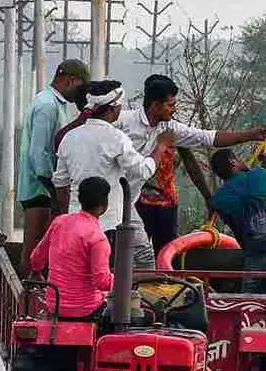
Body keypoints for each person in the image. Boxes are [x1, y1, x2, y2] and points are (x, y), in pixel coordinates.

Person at [116, 73, 266, 256]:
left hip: (155, 202)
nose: (174, 109)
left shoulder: (171, 128)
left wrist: (252, 134)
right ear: (155, 104)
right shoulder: (123, 121)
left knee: (153, 254)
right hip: (119, 199)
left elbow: (207, 138)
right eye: (170, 105)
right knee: (122, 251)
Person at [53, 80, 174, 269]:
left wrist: (67, 216)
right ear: (113, 109)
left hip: (75, 221)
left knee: (81, 269)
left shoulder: (70, 137)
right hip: (110, 224)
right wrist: (161, 146)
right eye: (120, 106)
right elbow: (143, 171)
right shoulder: (117, 139)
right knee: (118, 268)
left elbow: (60, 183)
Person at [17, 58, 90, 263]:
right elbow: (38, 153)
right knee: (34, 251)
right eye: (81, 87)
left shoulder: (53, 103)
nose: (81, 94)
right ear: (71, 81)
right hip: (39, 189)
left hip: (43, 187)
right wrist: (54, 189)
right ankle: (27, 283)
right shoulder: (47, 106)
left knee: (42, 250)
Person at [208, 148, 266, 293]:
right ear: (233, 162)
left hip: (256, 253)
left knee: (252, 301)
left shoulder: (218, 200)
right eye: (238, 159)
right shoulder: (260, 174)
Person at [28, 176, 114, 318]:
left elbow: (36, 258)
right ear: (104, 204)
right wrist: (125, 281)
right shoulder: (98, 238)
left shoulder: (59, 222)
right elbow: (102, 282)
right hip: (86, 309)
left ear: (80, 200)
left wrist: (36, 271)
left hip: (54, 305)